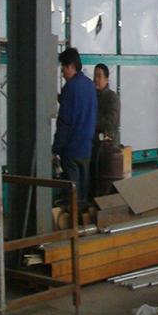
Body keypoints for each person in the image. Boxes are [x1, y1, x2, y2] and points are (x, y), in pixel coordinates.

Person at [52, 47, 96, 207]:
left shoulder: (70, 87)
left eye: (63, 68)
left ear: (71, 66)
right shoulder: (90, 85)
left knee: (72, 194)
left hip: (71, 149)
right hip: (86, 147)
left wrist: (56, 148)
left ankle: (73, 219)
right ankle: (83, 219)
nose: (62, 73)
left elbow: (65, 122)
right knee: (83, 193)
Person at [90, 64, 121, 198]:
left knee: (105, 187)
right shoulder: (92, 97)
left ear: (107, 79)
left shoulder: (112, 97)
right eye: (94, 76)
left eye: (99, 76)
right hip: (93, 148)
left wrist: (90, 124)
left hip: (107, 150)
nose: (96, 79)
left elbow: (110, 123)